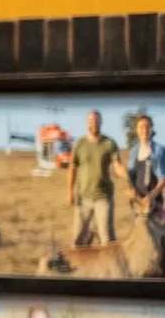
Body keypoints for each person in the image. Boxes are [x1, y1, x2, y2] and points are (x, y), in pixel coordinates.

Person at [68, 109, 125, 245]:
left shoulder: (109, 143)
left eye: (96, 120)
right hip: (83, 198)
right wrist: (70, 192)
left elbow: (117, 165)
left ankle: (110, 265)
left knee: (107, 239)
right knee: (78, 239)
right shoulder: (79, 144)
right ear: (87, 123)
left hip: (103, 198)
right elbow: (72, 168)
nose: (94, 123)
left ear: (101, 122)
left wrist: (127, 176)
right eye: (91, 120)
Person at [127, 113, 165, 264]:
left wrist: (151, 196)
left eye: (147, 126)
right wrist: (132, 191)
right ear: (136, 130)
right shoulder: (134, 151)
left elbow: (163, 178)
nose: (144, 130)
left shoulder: (160, 150)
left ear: (152, 129)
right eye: (141, 127)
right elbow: (131, 176)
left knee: (161, 240)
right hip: (139, 205)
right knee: (142, 242)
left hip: (155, 204)